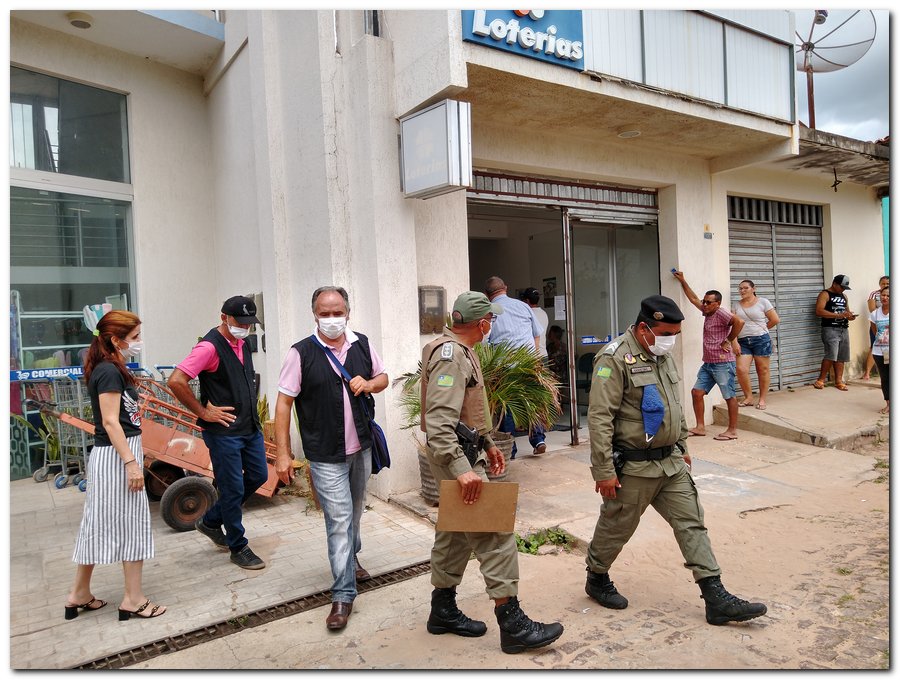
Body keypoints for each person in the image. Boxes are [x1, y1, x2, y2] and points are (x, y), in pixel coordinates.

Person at [584, 294, 766, 626]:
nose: (671, 341)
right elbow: (599, 418)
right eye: (666, 334)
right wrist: (603, 471)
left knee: (692, 524)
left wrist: (682, 445)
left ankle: (715, 597)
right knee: (617, 527)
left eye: (675, 335)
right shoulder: (613, 359)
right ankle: (597, 576)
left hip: (670, 464)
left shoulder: (662, 356)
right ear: (644, 328)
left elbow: (674, 405)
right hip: (634, 467)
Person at [420, 290, 564, 654]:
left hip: (467, 453)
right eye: (491, 321)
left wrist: (487, 443)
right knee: (494, 533)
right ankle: (512, 623)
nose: (491, 327)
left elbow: (465, 412)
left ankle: (443, 610)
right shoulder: (451, 356)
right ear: (482, 323)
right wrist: (462, 469)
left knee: (454, 534)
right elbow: (439, 423)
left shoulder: (461, 350)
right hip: (458, 461)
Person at [273, 286, 388, 631]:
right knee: (338, 520)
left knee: (354, 511)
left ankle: (350, 560)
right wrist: (282, 453)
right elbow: (283, 404)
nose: (332, 318)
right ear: (315, 315)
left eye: (337, 311)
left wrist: (367, 384)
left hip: (361, 448)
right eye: (325, 313)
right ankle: (342, 594)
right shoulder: (301, 353)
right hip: (325, 454)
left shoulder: (362, 344)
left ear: (348, 312)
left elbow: (383, 378)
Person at [68, 310, 166, 622]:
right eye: (134, 337)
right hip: (117, 456)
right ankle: (134, 599)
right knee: (133, 525)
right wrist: (132, 464)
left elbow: (116, 414)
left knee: (96, 524)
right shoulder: (109, 371)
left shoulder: (106, 367)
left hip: (110, 455)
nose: (138, 343)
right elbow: (110, 422)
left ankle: (79, 594)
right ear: (115, 339)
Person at [168, 296, 269, 571]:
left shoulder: (242, 343)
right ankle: (238, 546)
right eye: (241, 322)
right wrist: (202, 412)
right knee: (232, 488)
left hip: (249, 427)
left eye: (250, 323)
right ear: (224, 317)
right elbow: (176, 381)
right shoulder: (208, 347)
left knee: (259, 475)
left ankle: (211, 520)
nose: (246, 328)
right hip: (224, 432)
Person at [673, 271, 744, 441]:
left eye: (708, 302)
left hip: (723, 363)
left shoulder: (721, 313)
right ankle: (700, 427)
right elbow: (693, 299)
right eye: (704, 301)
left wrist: (729, 340)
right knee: (697, 392)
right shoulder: (708, 311)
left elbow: (739, 322)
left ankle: (732, 430)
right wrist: (683, 280)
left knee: (729, 396)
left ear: (717, 304)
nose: (704, 304)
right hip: (709, 363)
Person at [485, 276, 546, 456]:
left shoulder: (490, 311)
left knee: (507, 407)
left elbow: (485, 341)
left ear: (487, 295)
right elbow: (536, 334)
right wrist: (533, 359)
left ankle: (510, 450)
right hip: (527, 363)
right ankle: (538, 439)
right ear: (506, 287)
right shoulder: (524, 306)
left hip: (503, 366)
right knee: (531, 402)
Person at [732, 279, 780, 410]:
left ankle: (762, 399)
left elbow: (775, 319)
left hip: (761, 340)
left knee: (762, 370)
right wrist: (734, 341)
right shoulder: (736, 305)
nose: (742, 291)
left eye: (745, 288)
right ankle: (748, 397)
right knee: (741, 369)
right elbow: (734, 325)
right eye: (740, 288)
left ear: (753, 288)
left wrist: (762, 330)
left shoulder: (763, 302)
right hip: (743, 341)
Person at [814, 275, 858, 391]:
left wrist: (850, 316)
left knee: (841, 356)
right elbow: (819, 311)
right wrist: (838, 315)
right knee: (831, 354)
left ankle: (839, 381)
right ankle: (820, 380)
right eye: (841, 287)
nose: (843, 289)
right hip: (830, 329)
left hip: (843, 328)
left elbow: (846, 311)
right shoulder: (825, 294)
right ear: (834, 284)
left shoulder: (844, 296)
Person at [864, 276, 890, 380]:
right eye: (883, 283)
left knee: (887, 349)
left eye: (887, 283)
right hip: (878, 324)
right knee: (875, 346)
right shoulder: (874, 294)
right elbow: (872, 309)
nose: (886, 285)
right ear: (880, 284)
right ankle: (867, 373)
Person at [869, 285, 890, 414]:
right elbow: (875, 331)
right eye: (883, 295)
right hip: (880, 352)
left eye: (888, 295)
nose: (885, 297)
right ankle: (889, 404)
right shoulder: (874, 314)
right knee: (885, 378)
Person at [519, 287, 549, 360]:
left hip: (532, 356)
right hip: (543, 354)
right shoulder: (544, 313)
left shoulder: (526, 314)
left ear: (527, 300)